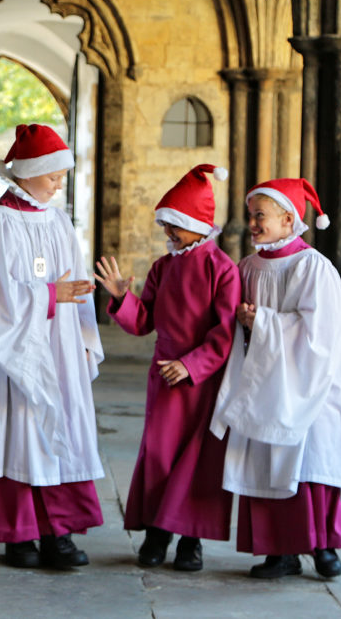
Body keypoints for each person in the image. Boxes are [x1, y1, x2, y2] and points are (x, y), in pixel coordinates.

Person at [0, 123, 105, 570]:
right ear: (28, 173)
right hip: (13, 353)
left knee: (56, 430)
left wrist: (84, 337)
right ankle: (17, 535)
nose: (59, 184)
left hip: (59, 346)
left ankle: (58, 533)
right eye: (53, 175)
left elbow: (76, 283)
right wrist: (50, 295)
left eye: (62, 176)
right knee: (17, 432)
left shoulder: (58, 221)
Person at [95, 164, 239, 571]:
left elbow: (225, 333)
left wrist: (191, 365)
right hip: (164, 378)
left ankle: (191, 541)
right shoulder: (162, 267)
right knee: (159, 456)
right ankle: (157, 533)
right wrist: (122, 298)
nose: (168, 232)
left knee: (198, 461)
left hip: (203, 382)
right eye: (165, 224)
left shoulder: (223, 270)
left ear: (198, 224)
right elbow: (144, 321)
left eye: (175, 224)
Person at [210, 177, 341, 579]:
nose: (252, 224)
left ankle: (323, 545)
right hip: (263, 382)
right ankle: (279, 551)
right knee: (265, 464)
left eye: (260, 216)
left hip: (307, 384)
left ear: (289, 219)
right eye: (251, 215)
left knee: (309, 463)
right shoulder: (247, 267)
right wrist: (245, 324)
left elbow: (319, 334)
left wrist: (263, 321)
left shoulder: (313, 268)